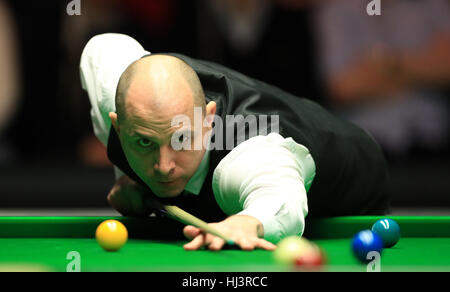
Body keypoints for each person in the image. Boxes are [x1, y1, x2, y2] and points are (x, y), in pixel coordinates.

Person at [80, 33, 389, 251]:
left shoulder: (248, 157)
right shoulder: (116, 86)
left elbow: (281, 200)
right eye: (144, 143)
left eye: (182, 138)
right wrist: (127, 178)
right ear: (118, 126)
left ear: (208, 120)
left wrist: (247, 222)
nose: (164, 167)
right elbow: (101, 48)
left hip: (353, 182)